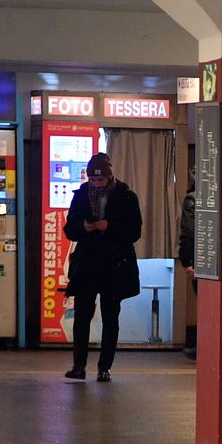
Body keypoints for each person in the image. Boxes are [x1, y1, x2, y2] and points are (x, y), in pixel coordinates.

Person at [62, 152, 143, 382]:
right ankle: (79, 365)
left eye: (100, 180)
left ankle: (104, 367)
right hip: (87, 263)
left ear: (109, 177)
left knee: (110, 317)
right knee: (82, 315)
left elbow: (135, 231)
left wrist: (110, 226)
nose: (96, 184)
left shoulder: (127, 197)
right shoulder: (81, 196)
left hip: (115, 265)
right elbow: (70, 229)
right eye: (92, 180)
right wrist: (84, 228)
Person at [176, 171, 197, 359]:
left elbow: (188, 232)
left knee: (205, 304)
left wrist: (187, 261)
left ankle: (203, 347)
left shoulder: (192, 200)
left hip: (200, 260)